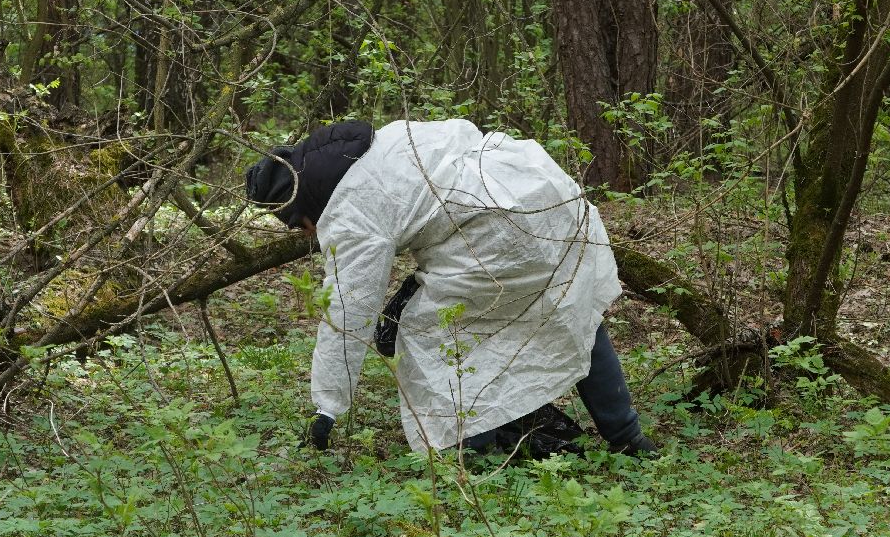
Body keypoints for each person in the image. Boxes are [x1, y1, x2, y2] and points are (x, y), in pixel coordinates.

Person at [244, 119, 658, 458]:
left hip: (501, 234)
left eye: (301, 225)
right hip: (546, 195)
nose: (308, 234)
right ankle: (628, 438)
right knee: (571, 310)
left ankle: (478, 447)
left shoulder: (352, 208)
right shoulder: (381, 142)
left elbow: (350, 310)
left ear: (304, 207)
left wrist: (327, 407)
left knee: (432, 335)